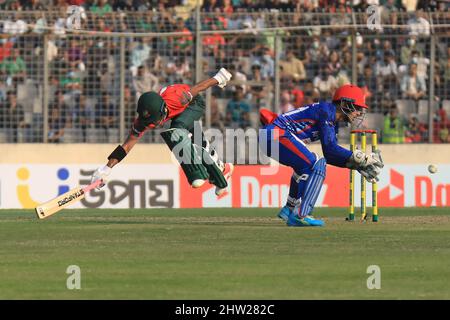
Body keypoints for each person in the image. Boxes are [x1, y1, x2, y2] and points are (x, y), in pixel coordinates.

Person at [91, 68, 234, 196]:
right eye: (149, 121)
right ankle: (223, 170)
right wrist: (106, 169)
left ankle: (197, 172)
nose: (155, 123)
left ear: (163, 109)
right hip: (178, 114)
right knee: (197, 141)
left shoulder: (178, 98)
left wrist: (219, 78)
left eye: (156, 119)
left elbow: (199, 87)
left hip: (194, 104)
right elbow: (126, 146)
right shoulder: (142, 121)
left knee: (177, 129)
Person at [259, 84, 384, 227]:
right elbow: (330, 149)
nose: (358, 113)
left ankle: (290, 208)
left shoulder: (332, 121)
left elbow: (331, 155)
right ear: (344, 104)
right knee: (315, 164)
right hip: (275, 134)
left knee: (304, 167)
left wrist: (355, 164)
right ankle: (301, 215)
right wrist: (360, 158)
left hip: (270, 137)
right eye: (357, 108)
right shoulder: (326, 111)